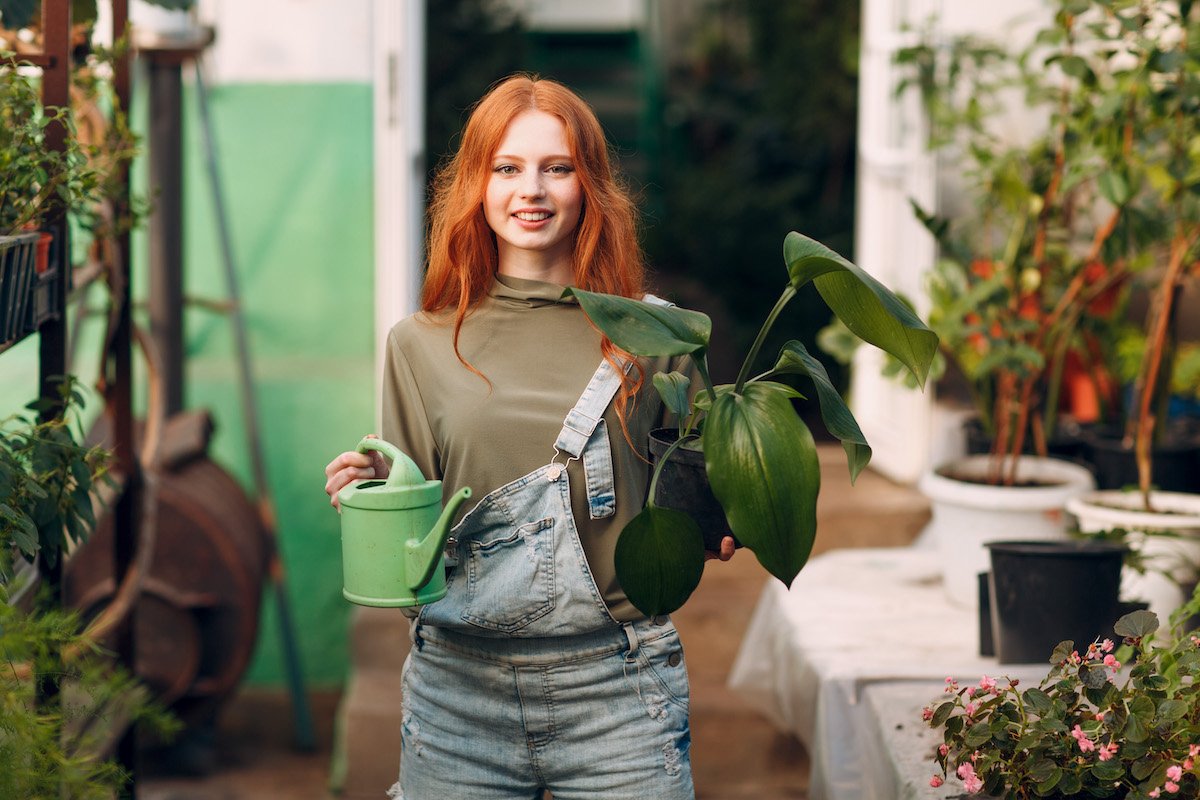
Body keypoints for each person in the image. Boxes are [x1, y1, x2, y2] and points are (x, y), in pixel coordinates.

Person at [323, 74, 734, 800]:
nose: (531, 190)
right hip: (458, 696)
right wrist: (369, 500)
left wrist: (734, 511)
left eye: (558, 167)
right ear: (476, 186)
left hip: (619, 691)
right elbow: (415, 534)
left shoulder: (656, 333)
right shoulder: (420, 343)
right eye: (507, 168)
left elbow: (692, 492)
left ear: (590, 185)